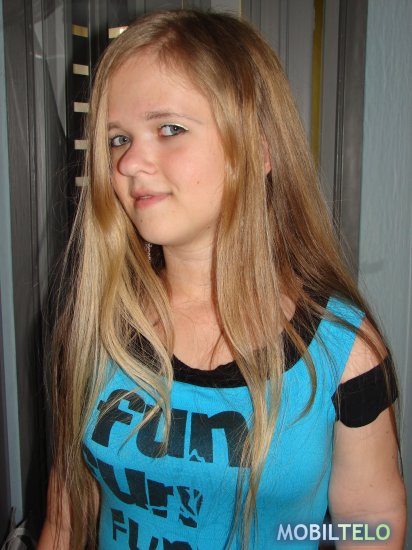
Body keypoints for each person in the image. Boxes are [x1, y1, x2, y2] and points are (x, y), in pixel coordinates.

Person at [38, 9, 406, 550]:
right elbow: (65, 519)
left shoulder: (343, 353)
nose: (129, 164)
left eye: (169, 129)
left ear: (258, 149)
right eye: (117, 139)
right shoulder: (95, 326)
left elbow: (371, 522)